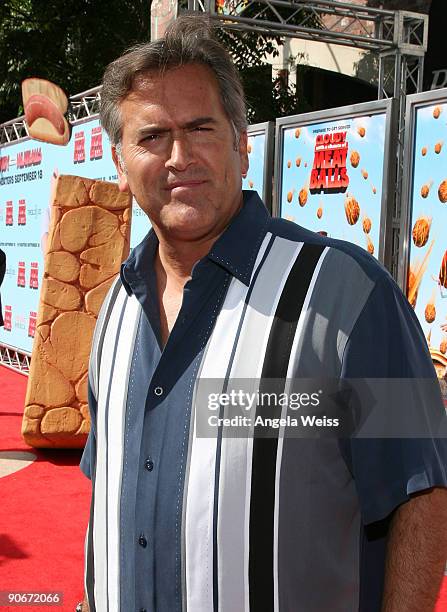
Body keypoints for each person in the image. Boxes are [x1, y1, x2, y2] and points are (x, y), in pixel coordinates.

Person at [79, 15, 447, 612]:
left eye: (201, 127)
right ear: (119, 164)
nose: (178, 156)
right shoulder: (116, 307)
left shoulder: (353, 296)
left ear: (242, 143)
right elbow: (109, 491)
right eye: (151, 137)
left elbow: (422, 493)